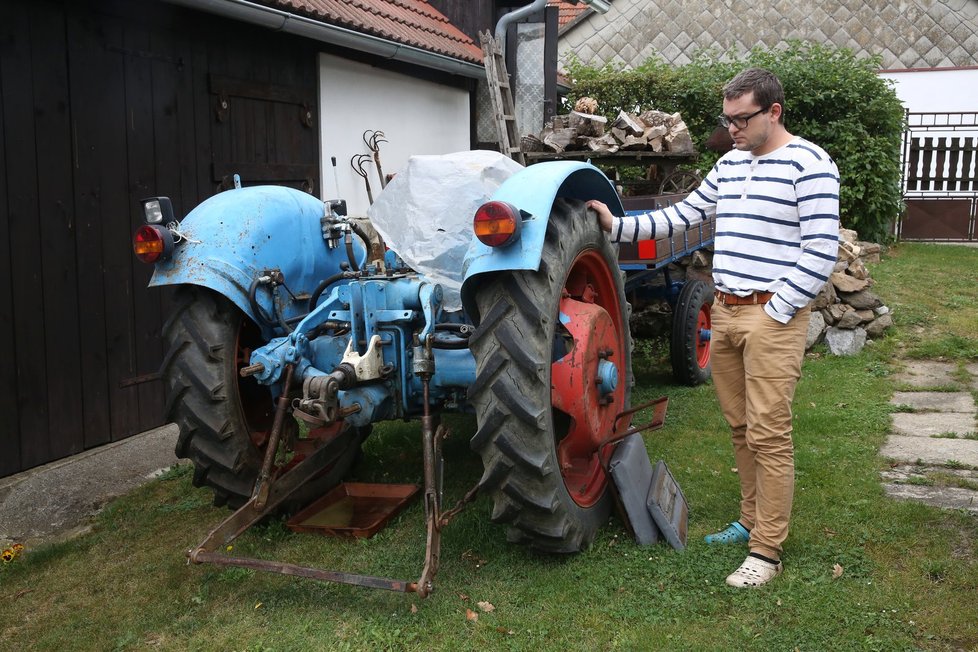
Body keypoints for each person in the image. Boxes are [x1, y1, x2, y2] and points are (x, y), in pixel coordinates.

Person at [587, 67, 840, 588]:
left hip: (772, 315)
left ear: (774, 111)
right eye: (726, 120)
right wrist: (618, 225)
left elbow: (820, 249)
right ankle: (747, 520)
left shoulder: (811, 164)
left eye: (742, 119)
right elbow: (684, 215)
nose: (732, 130)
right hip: (724, 312)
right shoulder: (731, 163)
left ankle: (766, 551)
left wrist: (776, 310)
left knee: (770, 433)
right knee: (741, 427)